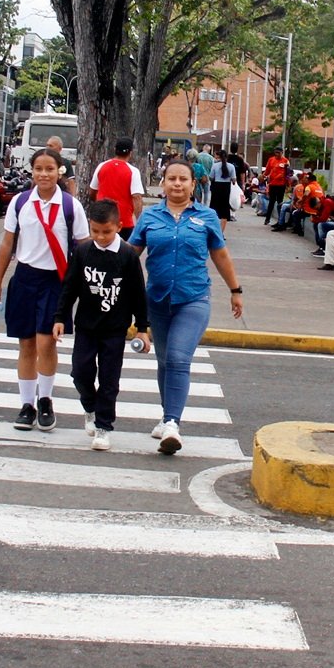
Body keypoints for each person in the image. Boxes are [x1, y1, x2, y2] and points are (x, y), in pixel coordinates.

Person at [130, 159, 243, 455]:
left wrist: (235, 290)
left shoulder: (206, 217)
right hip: (157, 299)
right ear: (162, 183)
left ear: (194, 184)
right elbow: (131, 256)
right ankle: (167, 415)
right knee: (165, 361)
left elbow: (220, 256)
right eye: (171, 179)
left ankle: (172, 423)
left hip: (193, 298)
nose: (177, 184)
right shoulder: (149, 217)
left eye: (183, 179)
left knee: (179, 358)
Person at [0, 149, 90, 431]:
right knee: (27, 344)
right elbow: (8, 244)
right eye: (39, 169)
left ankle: (45, 399)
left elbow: (83, 246)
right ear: (32, 172)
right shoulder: (21, 203)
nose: (44, 174)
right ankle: (26, 404)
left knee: (46, 342)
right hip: (25, 278)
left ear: (60, 172)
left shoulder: (71, 206)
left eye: (50, 169)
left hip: (56, 280)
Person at [53, 200, 150, 452]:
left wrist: (142, 327)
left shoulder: (128, 255)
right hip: (86, 325)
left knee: (109, 379)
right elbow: (70, 287)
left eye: (106, 231)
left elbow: (139, 293)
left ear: (118, 226)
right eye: (95, 231)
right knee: (80, 372)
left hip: (115, 328)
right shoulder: (84, 251)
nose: (100, 237)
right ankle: (89, 406)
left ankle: (104, 426)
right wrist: (60, 317)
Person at [89, 137, 145, 236]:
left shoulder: (102, 166)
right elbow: (136, 197)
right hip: (123, 221)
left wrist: (98, 204)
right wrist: (139, 220)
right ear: (131, 153)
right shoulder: (133, 171)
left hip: (103, 218)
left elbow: (92, 191)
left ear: (115, 150)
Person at [208, 148, 238, 230]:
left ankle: (214, 229)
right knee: (224, 210)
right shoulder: (231, 166)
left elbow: (211, 177)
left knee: (214, 209)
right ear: (227, 157)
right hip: (226, 188)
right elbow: (234, 180)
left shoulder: (215, 165)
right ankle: (221, 232)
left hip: (216, 187)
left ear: (219, 157)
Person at [262, 149, 291, 223]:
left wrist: (288, 185)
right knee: (271, 202)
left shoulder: (286, 161)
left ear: (282, 153)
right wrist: (263, 176)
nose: (277, 154)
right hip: (272, 184)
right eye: (275, 152)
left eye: (278, 153)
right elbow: (267, 170)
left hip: (281, 185)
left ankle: (280, 220)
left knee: (280, 202)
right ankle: (267, 219)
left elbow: (288, 174)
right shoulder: (271, 160)